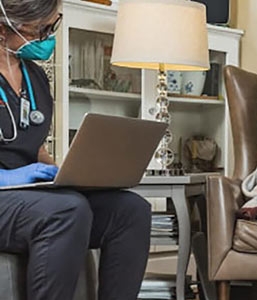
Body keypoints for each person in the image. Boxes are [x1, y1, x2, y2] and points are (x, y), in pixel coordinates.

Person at [0, 1, 151, 299]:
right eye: (41, 29)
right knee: (67, 209)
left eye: (52, 27)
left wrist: (64, 173)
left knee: (131, 210)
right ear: (4, 27)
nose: (46, 38)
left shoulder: (36, 77)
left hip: (33, 196)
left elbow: (34, 143)